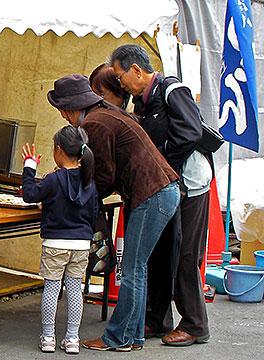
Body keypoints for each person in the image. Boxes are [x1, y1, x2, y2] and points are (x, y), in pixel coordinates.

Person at [47, 74, 180, 351]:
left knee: (132, 270)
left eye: (62, 112)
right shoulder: (106, 114)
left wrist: (74, 191)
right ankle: (132, 337)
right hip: (160, 190)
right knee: (137, 269)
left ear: (68, 109)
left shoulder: (95, 124)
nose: (63, 117)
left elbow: (104, 176)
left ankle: (117, 337)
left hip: (151, 192)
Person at [110, 44, 212, 347]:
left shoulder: (171, 90)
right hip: (166, 187)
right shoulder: (142, 101)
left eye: (120, 76)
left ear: (137, 71)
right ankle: (157, 318)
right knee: (159, 251)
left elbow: (190, 132)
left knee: (185, 254)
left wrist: (161, 159)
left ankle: (195, 325)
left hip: (190, 186)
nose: (120, 83)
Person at [21, 127, 98, 355]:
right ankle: (72, 338)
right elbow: (93, 214)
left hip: (55, 244)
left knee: (51, 290)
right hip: (81, 245)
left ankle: (48, 338)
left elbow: (29, 194)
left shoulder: (53, 179)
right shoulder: (89, 183)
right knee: (75, 290)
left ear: (58, 150)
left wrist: (29, 166)